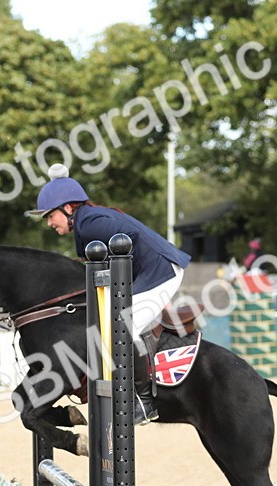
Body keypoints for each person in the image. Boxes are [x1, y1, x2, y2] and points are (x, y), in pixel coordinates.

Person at [26, 163, 190, 425]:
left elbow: (129, 238)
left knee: (123, 326)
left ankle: (145, 401)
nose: (48, 223)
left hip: (161, 271)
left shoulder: (90, 224)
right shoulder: (86, 222)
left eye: (50, 215)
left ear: (68, 208)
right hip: (148, 270)